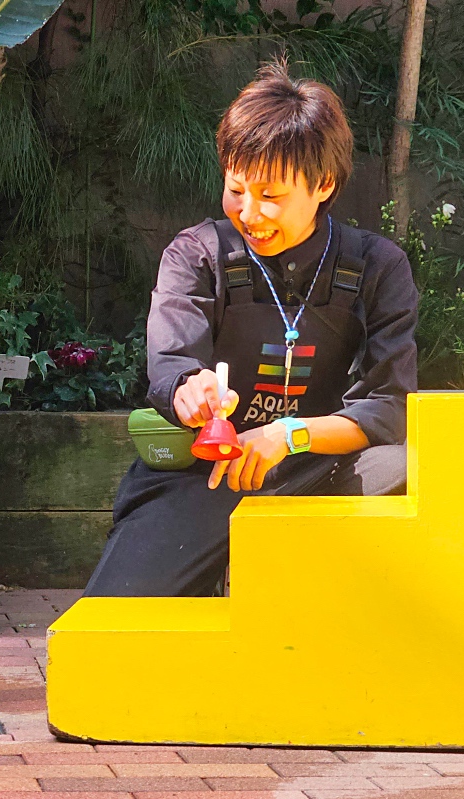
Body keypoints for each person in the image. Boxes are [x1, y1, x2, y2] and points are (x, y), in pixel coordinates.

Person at [83, 60, 419, 597]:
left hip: (327, 471)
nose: (250, 212)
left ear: (324, 184)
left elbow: (387, 405)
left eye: (271, 195)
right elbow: (171, 368)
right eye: (236, 189)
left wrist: (289, 435)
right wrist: (192, 392)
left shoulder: (378, 267)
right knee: (115, 617)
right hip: (206, 475)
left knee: (413, 471)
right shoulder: (197, 254)